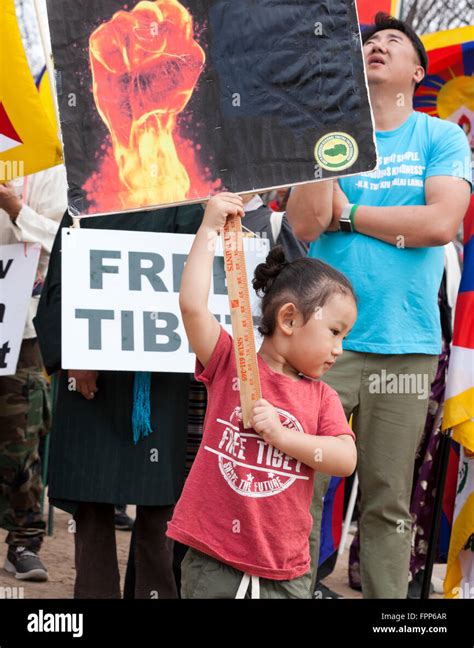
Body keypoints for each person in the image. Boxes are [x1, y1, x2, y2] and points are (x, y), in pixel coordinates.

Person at [286, 12, 472, 598]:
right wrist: (322, 136)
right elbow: (304, 223)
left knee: (389, 501)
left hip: (405, 350)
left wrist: (352, 214)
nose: (376, 47)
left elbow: (441, 222)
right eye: (367, 42)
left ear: (417, 71)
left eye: (392, 41)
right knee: (299, 490)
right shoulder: (330, 133)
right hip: (322, 350)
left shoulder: (440, 137)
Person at [166, 192, 358, 599]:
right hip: (212, 559)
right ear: (289, 319)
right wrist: (209, 229)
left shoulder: (322, 397)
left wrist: (285, 438)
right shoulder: (230, 362)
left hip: (283, 572)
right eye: (334, 332)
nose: (339, 348)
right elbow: (191, 306)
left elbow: (345, 458)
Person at [34, 203, 204, 598]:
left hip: (165, 374)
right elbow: (61, 280)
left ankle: (154, 593)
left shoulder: (190, 202)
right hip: (93, 373)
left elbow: (205, 283)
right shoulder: (87, 200)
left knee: (161, 505)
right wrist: (74, 354)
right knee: (91, 501)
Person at [0, 166, 67, 582]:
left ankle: (24, 542)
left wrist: (16, 209)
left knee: (19, 436)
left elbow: (61, 241)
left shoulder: (47, 163)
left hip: (20, 322)